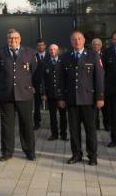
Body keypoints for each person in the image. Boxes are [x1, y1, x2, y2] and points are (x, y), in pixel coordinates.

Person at [59, 31, 105, 165]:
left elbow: (99, 78)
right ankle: (76, 154)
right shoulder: (65, 57)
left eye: (79, 39)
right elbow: (61, 80)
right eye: (74, 39)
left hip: (88, 100)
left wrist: (100, 97)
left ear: (84, 40)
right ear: (70, 41)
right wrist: (61, 97)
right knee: (74, 130)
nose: (77, 41)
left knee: (90, 130)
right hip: (72, 100)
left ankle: (92, 156)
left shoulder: (93, 56)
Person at [0, 29, 38, 161]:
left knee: (27, 124)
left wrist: (29, 86)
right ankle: (7, 152)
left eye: (16, 38)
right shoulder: (0, 53)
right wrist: (5, 84)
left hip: (24, 94)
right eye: (10, 38)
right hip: (7, 94)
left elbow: (34, 71)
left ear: (20, 39)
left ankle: (29, 151)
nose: (13, 40)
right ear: (7, 40)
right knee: (7, 125)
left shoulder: (29, 52)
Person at [41, 44, 67, 141]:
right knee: (52, 116)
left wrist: (65, 94)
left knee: (63, 115)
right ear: (49, 51)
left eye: (55, 49)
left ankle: (63, 134)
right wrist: (43, 93)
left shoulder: (63, 62)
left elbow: (66, 78)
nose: (53, 51)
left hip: (62, 94)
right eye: (51, 49)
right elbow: (43, 79)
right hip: (51, 93)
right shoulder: (45, 63)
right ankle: (54, 134)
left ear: (58, 50)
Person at [90, 37, 110, 132]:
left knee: (105, 107)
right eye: (94, 45)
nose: (96, 46)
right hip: (92, 86)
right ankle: (96, 125)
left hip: (104, 85)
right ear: (92, 46)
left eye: (98, 45)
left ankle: (107, 125)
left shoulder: (105, 55)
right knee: (94, 108)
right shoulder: (89, 55)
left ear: (101, 46)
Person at [33, 38, 47, 130]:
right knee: (37, 105)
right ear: (37, 46)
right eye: (39, 45)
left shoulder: (50, 55)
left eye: (42, 45)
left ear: (45, 46)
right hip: (36, 84)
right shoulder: (33, 56)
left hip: (48, 84)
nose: (40, 46)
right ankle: (37, 123)